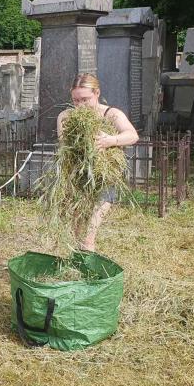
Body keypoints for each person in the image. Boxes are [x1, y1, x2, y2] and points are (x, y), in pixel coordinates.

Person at [56, 73, 139, 252]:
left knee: (88, 233)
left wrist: (110, 140)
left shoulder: (111, 114)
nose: (80, 105)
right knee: (77, 224)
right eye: (76, 100)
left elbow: (132, 135)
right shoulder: (66, 116)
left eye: (85, 100)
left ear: (97, 93)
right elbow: (64, 144)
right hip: (78, 175)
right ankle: (79, 259)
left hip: (104, 177)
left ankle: (88, 257)